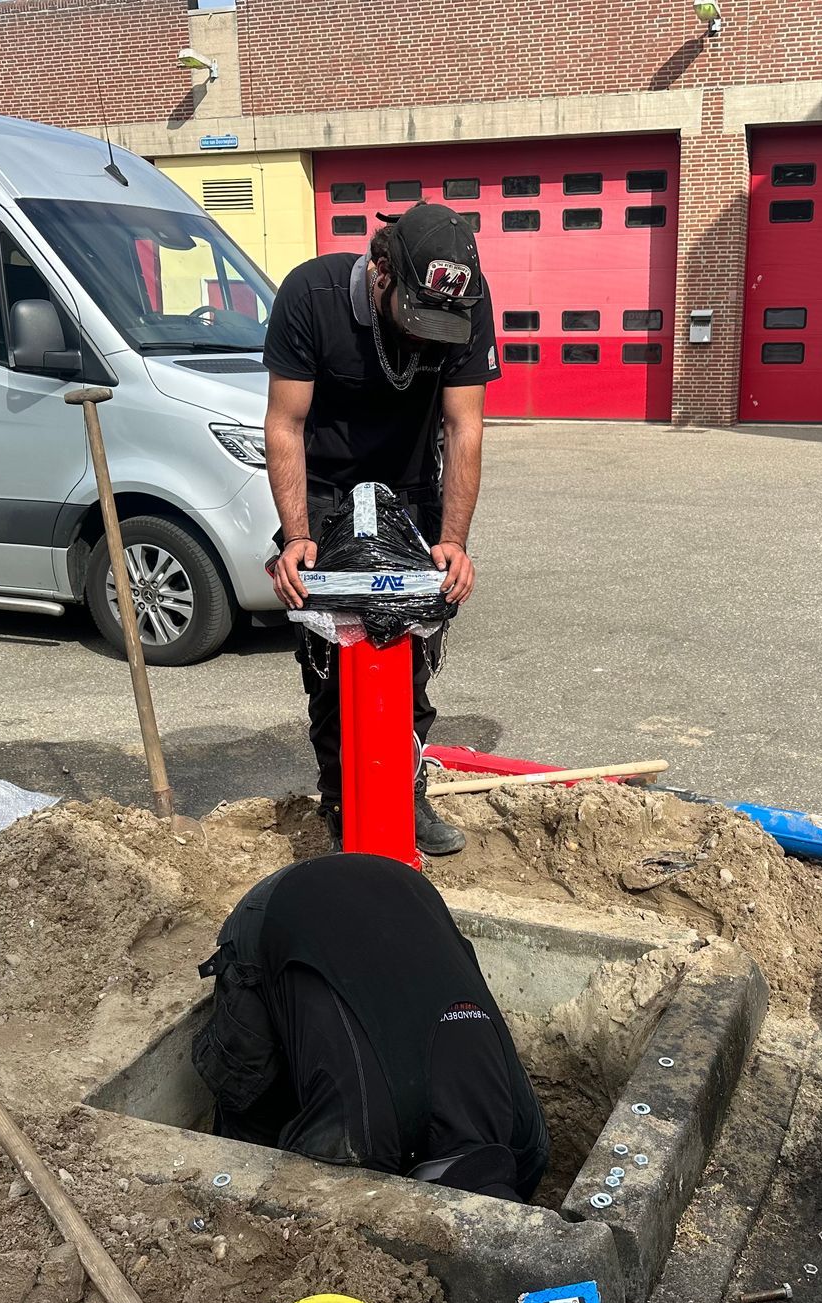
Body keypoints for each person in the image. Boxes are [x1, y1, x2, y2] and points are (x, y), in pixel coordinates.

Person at [261, 201, 500, 856]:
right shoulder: (310, 296)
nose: (426, 338)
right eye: (415, 319)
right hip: (325, 492)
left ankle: (407, 796)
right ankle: (342, 799)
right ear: (380, 272)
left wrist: (453, 541)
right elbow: (284, 425)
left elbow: (464, 426)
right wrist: (295, 534)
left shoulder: (465, 304)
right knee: (331, 663)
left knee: (412, 657)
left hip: (412, 490)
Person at [191, 853, 550, 1202]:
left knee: (333, 1057)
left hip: (403, 889)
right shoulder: (361, 1144)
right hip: (284, 906)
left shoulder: (530, 1142)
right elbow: (304, 1197)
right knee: (250, 1116)